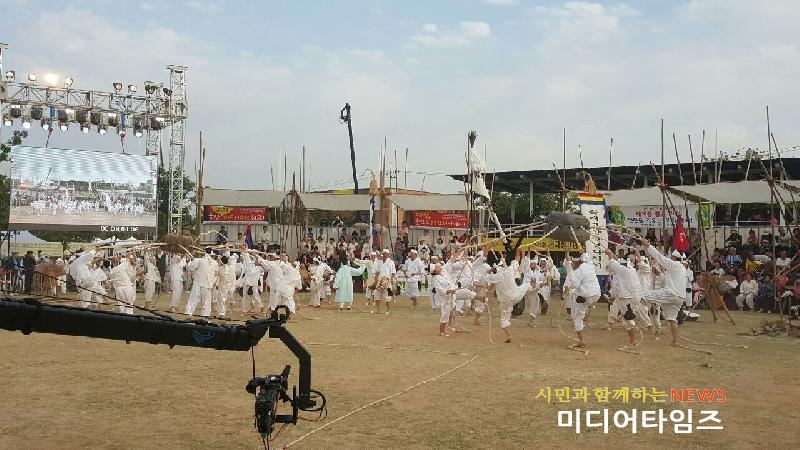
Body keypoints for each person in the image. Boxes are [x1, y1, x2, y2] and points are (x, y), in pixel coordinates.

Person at [638, 238, 687, 347]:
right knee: (672, 319)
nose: (670, 258)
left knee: (642, 294)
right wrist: (658, 273)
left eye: (671, 257)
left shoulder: (674, 265)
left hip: (671, 294)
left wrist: (648, 245)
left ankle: (641, 313)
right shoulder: (680, 269)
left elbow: (659, 257)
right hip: (678, 297)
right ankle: (675, 342)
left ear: (674, 258)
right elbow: (666, 281)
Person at [483, 247, 532, 344]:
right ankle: (535, 289)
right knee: (526, 285)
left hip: (505, 301)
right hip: (516, 296)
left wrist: (491, 269)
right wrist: (518, 251)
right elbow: (517, 259)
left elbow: (485, 277)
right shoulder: (509, 270)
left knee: (504, 319)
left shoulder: (496, 276)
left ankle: (508, 335)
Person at [605, 249, 646, 349]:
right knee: (628, 318)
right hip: (633, 297)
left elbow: (613, 263)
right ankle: (631, 338)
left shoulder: (623, 270)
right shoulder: (631, 270)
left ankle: (633, 341)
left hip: (627, 298)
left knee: (628, 320)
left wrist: (609, 254)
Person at [563, 253, 602, 348]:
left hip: (585, 296)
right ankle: (585, 312)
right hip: (596, 295)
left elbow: (574, 285)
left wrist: (568, 284)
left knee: (576, 317)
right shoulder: (590, 265)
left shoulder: (578, 271)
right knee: (579, 310)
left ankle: (581, 341)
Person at [184, 249, 215, 317]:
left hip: (198, 284)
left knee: (193, 300)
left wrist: (191, 260)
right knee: (206, 302)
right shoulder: (214, 263)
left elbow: (190, 266)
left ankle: (189, 314)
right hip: (208, 285)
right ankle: (205, 316)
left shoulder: (199, 260)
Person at [372, 249, 397, 315]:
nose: (384, 255)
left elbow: (393, 272)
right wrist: (376, 279)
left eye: (385, 254)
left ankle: (388, 310)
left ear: (388, 255)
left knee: (388, 297)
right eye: (383, 253)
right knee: (377, 295)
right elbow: (377, 272)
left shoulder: (391, 262)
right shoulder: (379, 262)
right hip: (380, 281)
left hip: (388, 280)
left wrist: (393, 281)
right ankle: (378, 309)